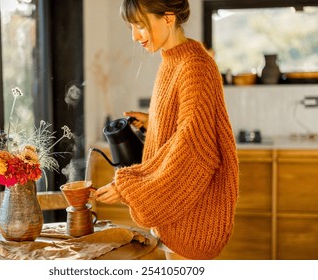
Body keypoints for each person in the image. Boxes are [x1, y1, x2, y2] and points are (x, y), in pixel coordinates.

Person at [94, 0, 239, 260]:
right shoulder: (173, 60)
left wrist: (128, 188)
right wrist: (155, 122)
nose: (134, 36)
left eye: (140, 25)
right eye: (131, 27)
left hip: (191, 221)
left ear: (168, 17)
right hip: (174, 218)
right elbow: (189, 125)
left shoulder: (195, 65)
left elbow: (193, 150)